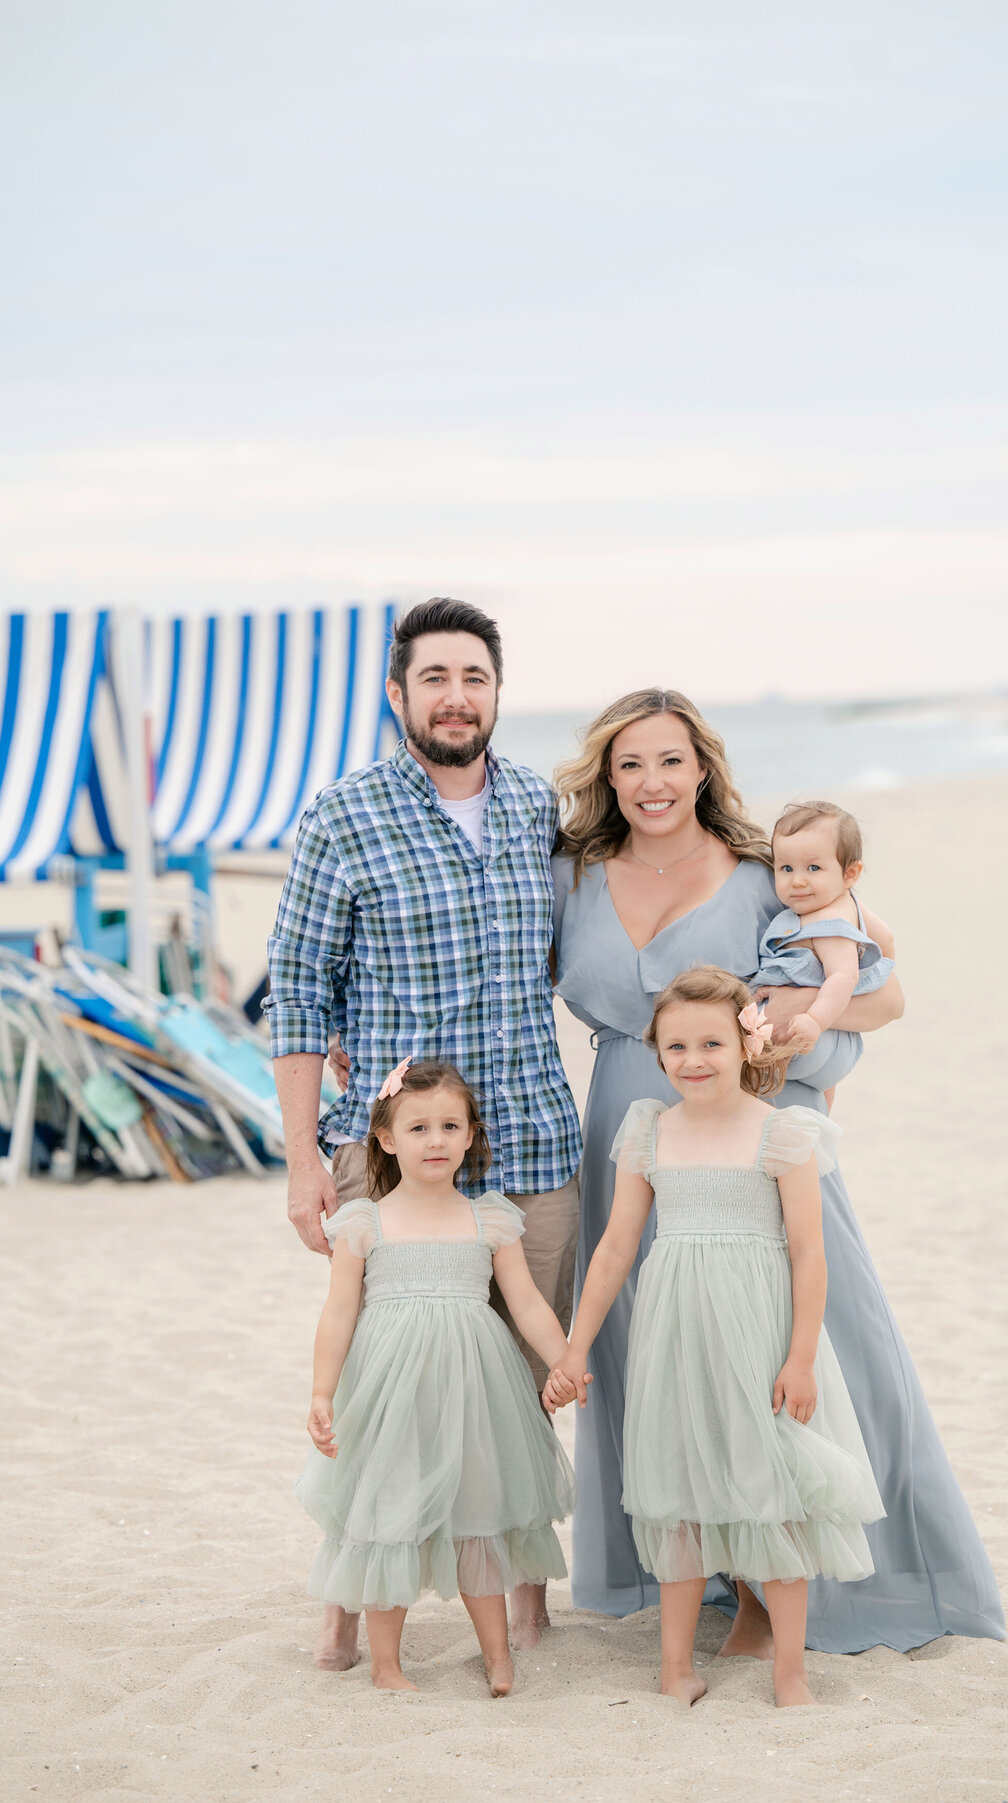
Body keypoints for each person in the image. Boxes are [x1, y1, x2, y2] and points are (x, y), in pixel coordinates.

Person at [552, 687, 1005, 1654]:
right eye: (629, 763)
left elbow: (882, 992)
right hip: (628, 1127)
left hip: (758, 1118)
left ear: (704, 767)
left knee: (819, 1340)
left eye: (670, 760)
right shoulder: (574, 873)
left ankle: (836, 1582)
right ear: (606, 775)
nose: (651, 782)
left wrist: (792, 1038)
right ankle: (711, 1572)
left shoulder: (769, 874)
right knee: (661, 1348)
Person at [267, 597, 581, 1666]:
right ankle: (348, 1606)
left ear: (498, 693)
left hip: (533, 1145)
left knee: (525, 1373)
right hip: (389, 1163)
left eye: (475, 678)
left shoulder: (542, 804)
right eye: (435, 677)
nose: (457, 696)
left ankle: (526, 1594)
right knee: (382, 1381)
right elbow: (299, 995)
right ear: (397, 695)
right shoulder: (343, 814)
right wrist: (305, 1158)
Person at [545, 967, 883, 1707]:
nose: (693, 1059)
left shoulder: (783, 1132)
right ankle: (675, 1666)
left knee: (777, 1490)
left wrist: (799, 1357)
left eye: (710, 1043)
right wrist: (575, 1348)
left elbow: (807, 1253)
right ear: (657, 1052)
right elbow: (612, 1250)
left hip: (760, 1336)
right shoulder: (649, 1129)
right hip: (677, 1335)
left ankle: (788, 1668)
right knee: (681, 1493)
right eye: (676, 1047)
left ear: (745, 1043)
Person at [298, 1060, 575, 1696]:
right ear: (388, 1140)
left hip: (474, 1386)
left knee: (477, 1509)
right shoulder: (364, 1223)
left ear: (472, 1136)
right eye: (418, 1127)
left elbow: (527, 1303)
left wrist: (563, 1357)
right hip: (391, 1389)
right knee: (388, 1510)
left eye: (451, 1126)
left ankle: (497, 1655)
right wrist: (321, 1392)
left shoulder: (490, 1218)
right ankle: (387, 1664)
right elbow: (340, 1312)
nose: (436, 1140)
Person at [753, 799, 894, 1104]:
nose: (798, 880)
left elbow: (843, 976)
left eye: (814, 868)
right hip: (819, 1039)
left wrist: (815, 1020)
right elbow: (886, 938)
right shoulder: (842, 907)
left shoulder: (831, 925)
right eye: (786, 868)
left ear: (850, 874)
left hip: (809, 1029)